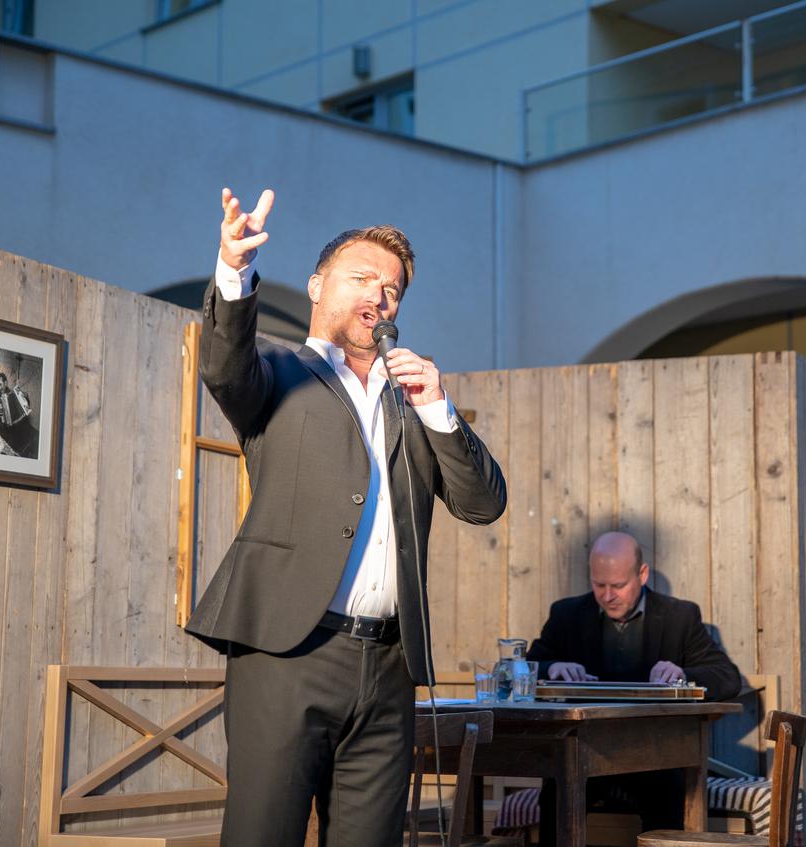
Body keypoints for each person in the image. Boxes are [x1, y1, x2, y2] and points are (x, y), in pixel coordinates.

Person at [185, 188, 507, 847]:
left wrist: (439, 407)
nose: (379, 296)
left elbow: (483, 502)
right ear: (316, 285)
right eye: (361, 278)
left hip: (389, 666)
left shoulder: (413, 400)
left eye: (392, 290)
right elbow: (224, 366)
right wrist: (234, 271)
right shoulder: (279, 370)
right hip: (287, 652)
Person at [526, 530, 742, 841]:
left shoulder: (679, 616)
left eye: (617, 586)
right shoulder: (567, 614)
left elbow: (727, 677)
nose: (607, 596)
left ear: (642, 575)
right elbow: (525, 669)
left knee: (668, 791)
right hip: (584, 751)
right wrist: (553, 667)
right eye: (599, 585)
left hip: (654, 755)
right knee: (557, 788)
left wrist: (682, 672)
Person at [0, 372, 37, 457]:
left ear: (6, 383)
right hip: (2, 429)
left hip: (13, 429)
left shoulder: (12, 395)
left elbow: (24, 408)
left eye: (0, 384)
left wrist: (25, 399)